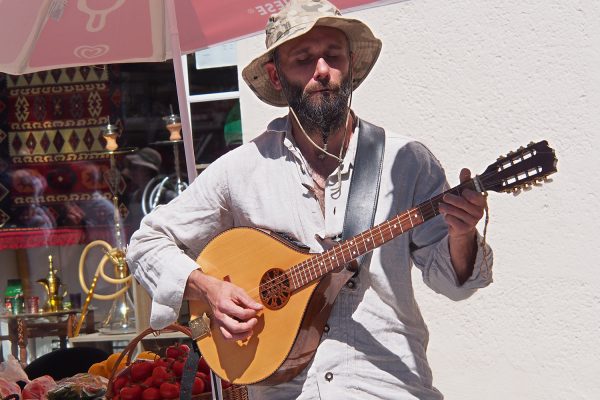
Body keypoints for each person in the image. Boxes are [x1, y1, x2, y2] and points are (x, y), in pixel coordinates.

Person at [126, 1, 494, 399]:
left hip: (387, 387)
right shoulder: (242, 170)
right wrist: (207, 289)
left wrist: (461, 235)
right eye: (303, 59)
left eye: (333, 56)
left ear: (350, 63)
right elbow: (146, 244)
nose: (322, 70)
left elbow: (452, 284)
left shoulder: (405, 163)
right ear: (276, 75)